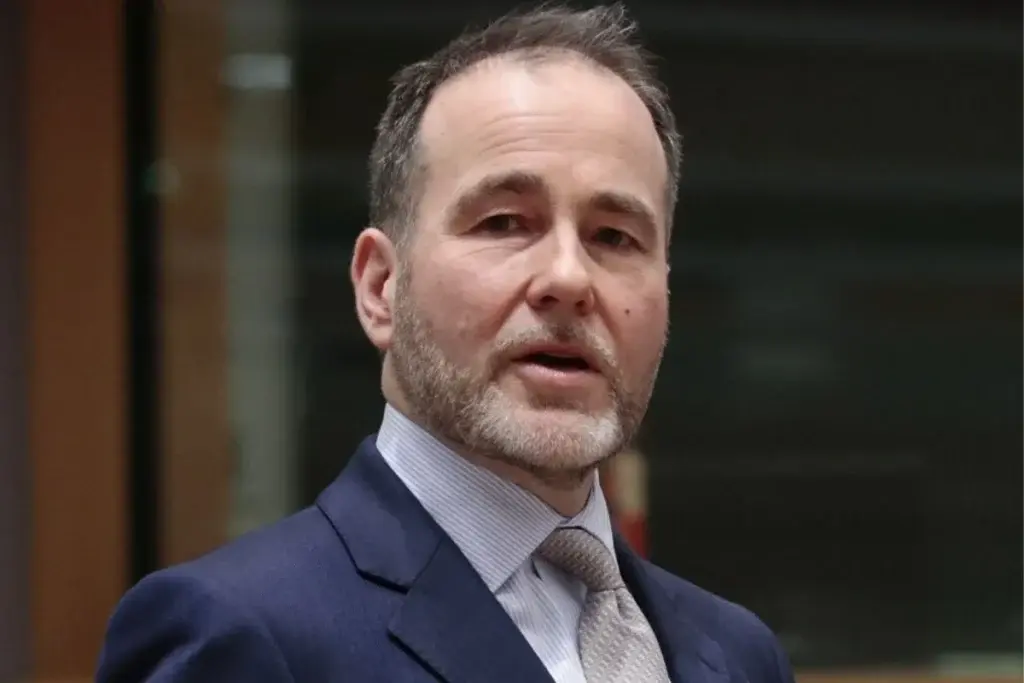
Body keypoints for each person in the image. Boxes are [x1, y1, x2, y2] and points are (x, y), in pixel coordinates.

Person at [97, 4, 795, 682]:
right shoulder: (237, 634)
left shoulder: (739, 654)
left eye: (614, 236)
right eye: (503, 223)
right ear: (381, 287)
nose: (568, 278)